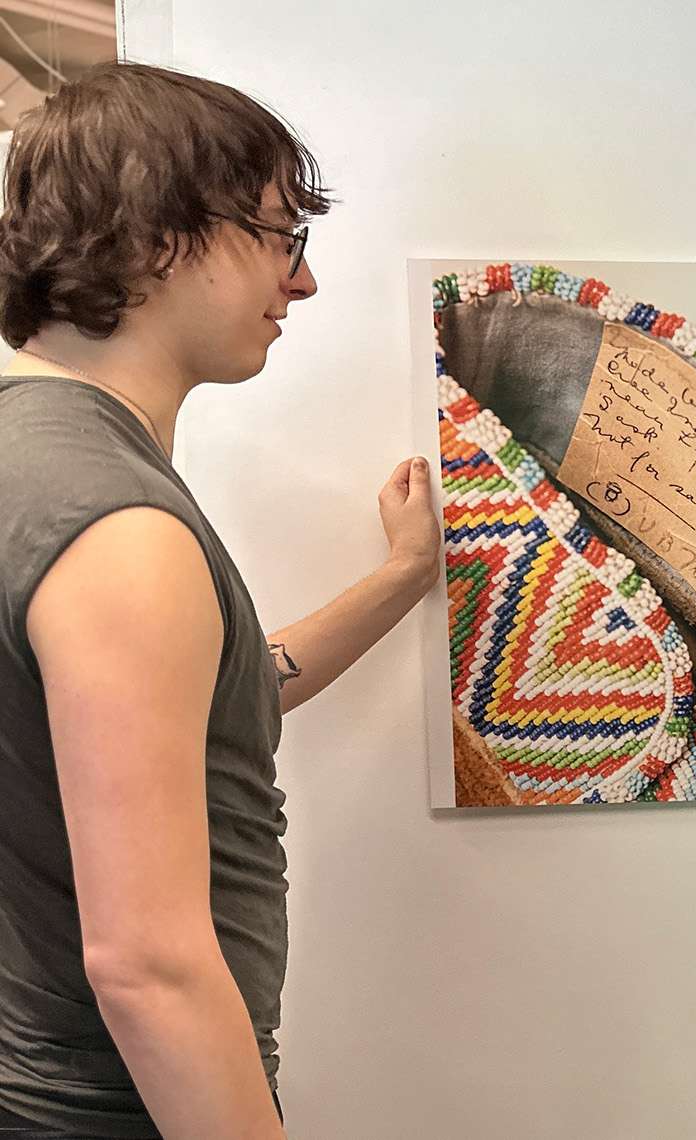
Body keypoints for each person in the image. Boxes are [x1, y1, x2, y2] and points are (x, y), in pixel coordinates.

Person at [0, 64, 440, 1138]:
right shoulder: (118, 526)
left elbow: (190, 709)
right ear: (162, 235)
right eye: (282, 235)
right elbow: (147, 966)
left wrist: (398, 579)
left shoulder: (36, 464)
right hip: (116, 1110)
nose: (304, 281)